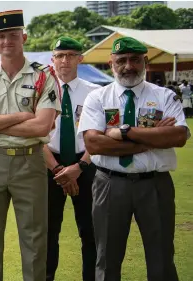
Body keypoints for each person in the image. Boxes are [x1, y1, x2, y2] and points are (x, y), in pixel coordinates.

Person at [77, 36, 188, 281]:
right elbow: (93, 143)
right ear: (111, 63)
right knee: (106, 259)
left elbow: (178, 136)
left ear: (145, 61)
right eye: (122, 60)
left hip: (155, 184)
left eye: (135, 60)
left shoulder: (164, 96)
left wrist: (124, 132)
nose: (129, 66)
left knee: (161, 258)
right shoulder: (98, 98)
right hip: (109, 184)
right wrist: (152, 138)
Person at [0, 10, 60, 281]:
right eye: (1, 36)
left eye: (13, 35)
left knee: (34, 241)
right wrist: (20, 116)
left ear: (24, 37)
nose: (7, 40)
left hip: (29, 161)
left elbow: (41, 126)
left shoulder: (43, 77)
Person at [44, 36, 99, 281]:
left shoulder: (95, 93)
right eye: (59, 55)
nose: (65, 60)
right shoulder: (40, 92)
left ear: (80, 58)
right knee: (47, 232)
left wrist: (80, 167)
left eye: (70, 55)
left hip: (86, 163)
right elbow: (37, 137)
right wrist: (58, 170)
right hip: (49, 164)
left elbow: (102, 137)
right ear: (52, 59)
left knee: (90, 231)